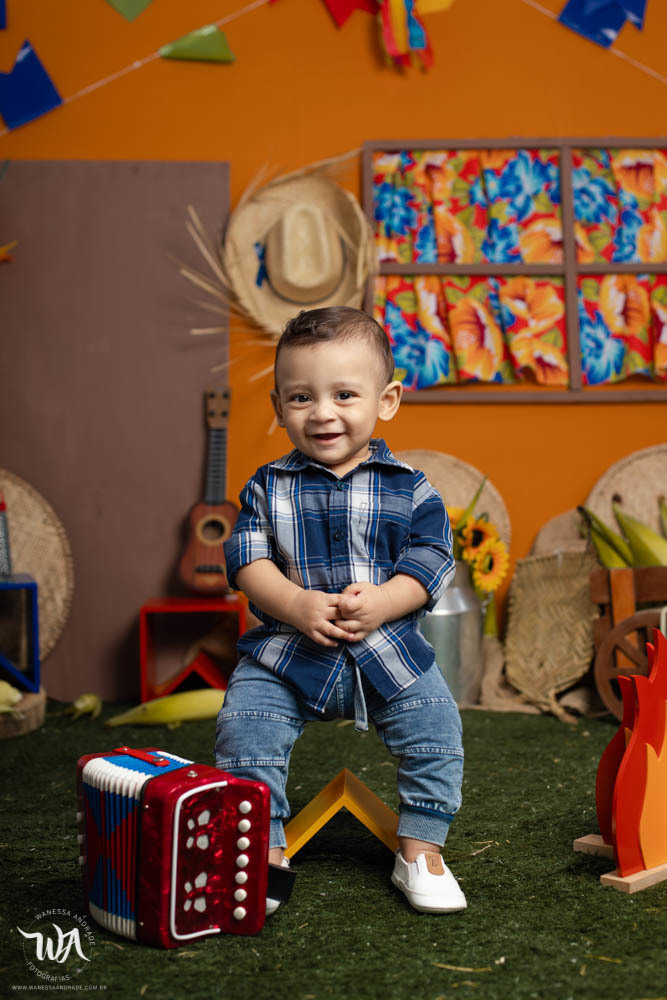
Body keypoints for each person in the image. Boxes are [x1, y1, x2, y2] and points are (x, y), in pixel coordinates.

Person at [215, 305, 466, 914]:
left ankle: (421, 849)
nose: (323, 412)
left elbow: (433, 559)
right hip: (286, 654)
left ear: (387, 400)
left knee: (437, 731)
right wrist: (294, 602)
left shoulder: (411, 487)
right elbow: (246, 558)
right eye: (302, 397)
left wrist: (384, 600)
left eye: (344, 394)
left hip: (388, 653)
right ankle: (261, 851)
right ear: (279, 408)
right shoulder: (267, 487)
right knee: (244, 730)